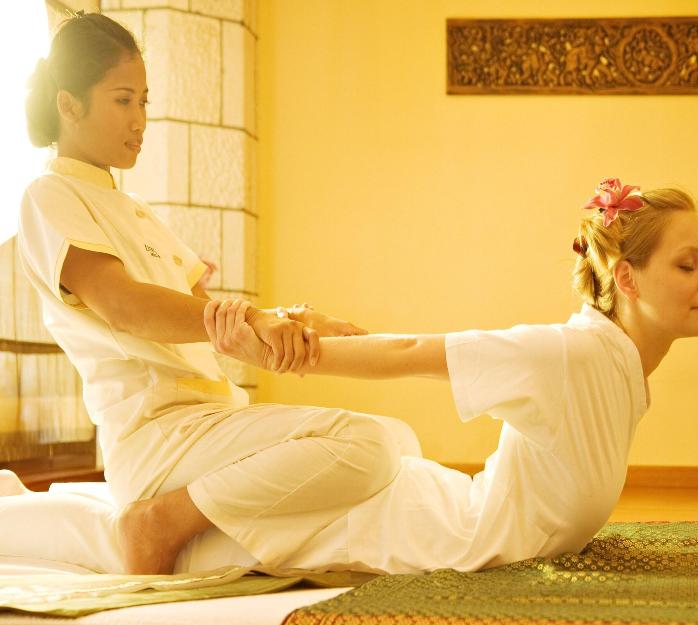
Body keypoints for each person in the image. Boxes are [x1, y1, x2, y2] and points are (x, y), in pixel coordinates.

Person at [15, 12, 408, 575]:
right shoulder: (49, 195)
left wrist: (297, 322)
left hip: (210, 420)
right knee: (369, 443)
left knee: (398, 440)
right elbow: (126, 308)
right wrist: (258, 318)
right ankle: (158, 522)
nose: (140, 120)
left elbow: (215, 320)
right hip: (157, 435)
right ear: (68, 105)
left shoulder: (136, 212)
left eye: (144, 101)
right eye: (123, 100)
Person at [167, 179, 698, 575]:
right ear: (627, 279)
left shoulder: (619, 364)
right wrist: (283, 354)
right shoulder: (571, 355)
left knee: (388, 450)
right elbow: (412, 351)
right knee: (218, 551)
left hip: (451, 516)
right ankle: (163, 519)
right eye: (687, 264)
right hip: (439, 537)